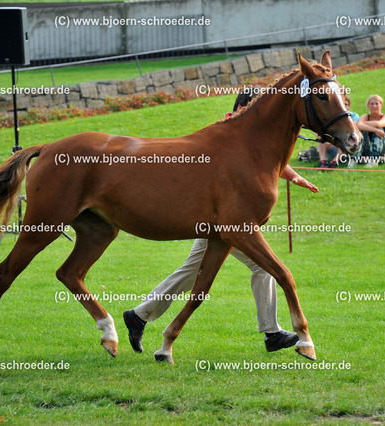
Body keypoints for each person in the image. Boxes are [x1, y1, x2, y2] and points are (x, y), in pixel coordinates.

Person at [123, 89, 319, 354]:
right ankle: (271, 333)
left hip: (222, 220)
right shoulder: (232, 133)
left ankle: (139, 315)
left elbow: (265, 159)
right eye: (250, 106)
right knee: (262, 268)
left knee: (192, 271)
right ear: (240, 108)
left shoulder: (247, 132)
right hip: (224, 221)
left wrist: (294, 176)